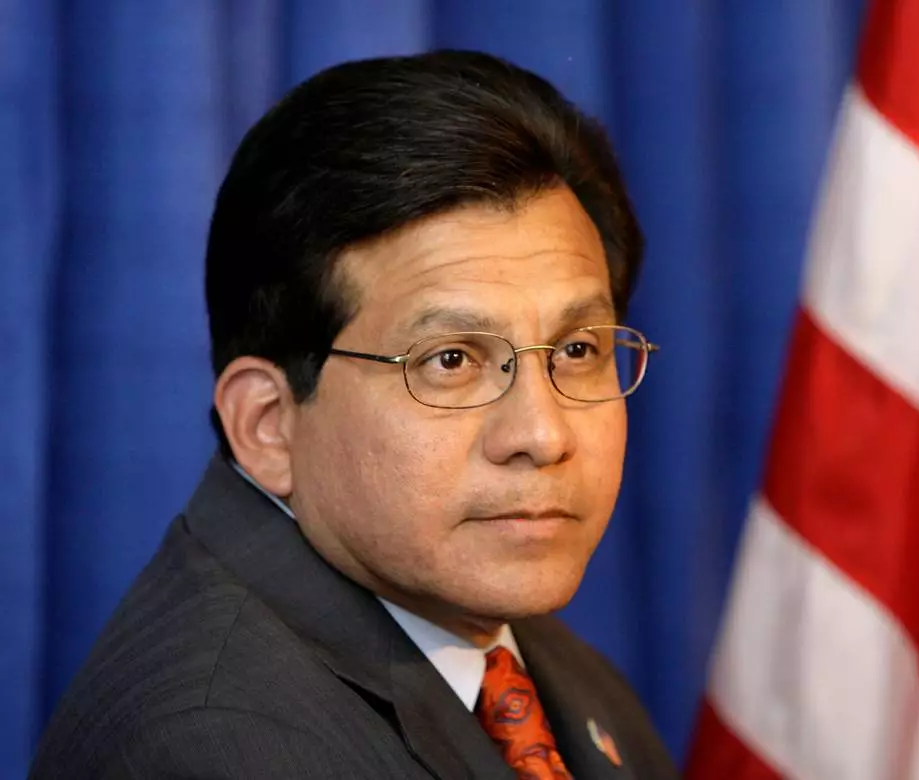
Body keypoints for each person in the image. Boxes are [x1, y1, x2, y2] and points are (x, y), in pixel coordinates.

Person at [31, 50, 676, 780]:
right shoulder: (217, 743)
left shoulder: (540, 661)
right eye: (451, 360)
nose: (542, 434)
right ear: (268, 424)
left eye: (578, 349)